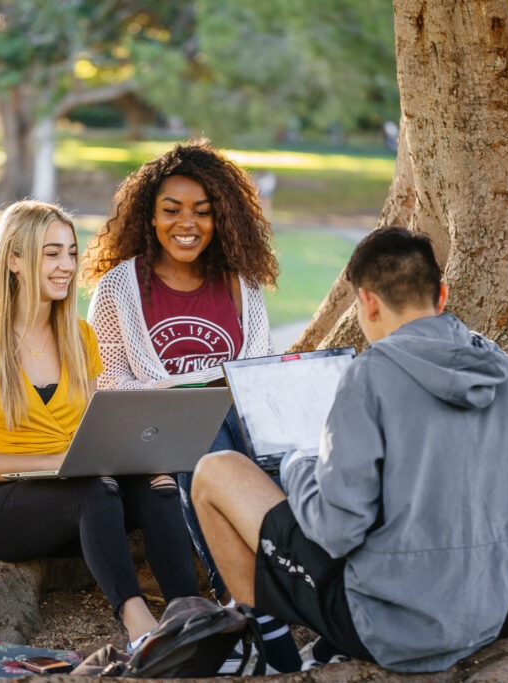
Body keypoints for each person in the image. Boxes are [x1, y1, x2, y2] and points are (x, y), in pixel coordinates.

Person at [191, 226, 508, 673]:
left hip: (386, 627)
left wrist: (301, 464)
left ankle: (272, 657)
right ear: (441, 296)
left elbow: (337, 529)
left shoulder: (368, 379)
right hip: (479, 621)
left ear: (367, 302)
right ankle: (327, 649)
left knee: (215, 472)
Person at [82, 140, 301, 672]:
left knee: (251, 436)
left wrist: (211, 394)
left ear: (221, 217)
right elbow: (104, 381)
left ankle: (283, 598)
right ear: (150, 217)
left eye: (203, 212)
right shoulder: (120, 288)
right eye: (172, 210)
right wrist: (186, 395)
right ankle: (248, 608)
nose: (189, 223)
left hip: (237, 429)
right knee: (200, 433)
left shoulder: (241, 284)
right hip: (160, 436)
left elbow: (257, 376)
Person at [0, 200, 199, 650]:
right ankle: (139, 626)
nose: (66, 266)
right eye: (51, 253)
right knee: (93, 488)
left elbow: (94, 430)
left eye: (71, 252)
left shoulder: (81, 336)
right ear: (15, 260)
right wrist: (57, 464)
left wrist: (133, 452)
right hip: (0, 505)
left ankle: (191, 614)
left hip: (81, 493)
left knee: (156, 482)